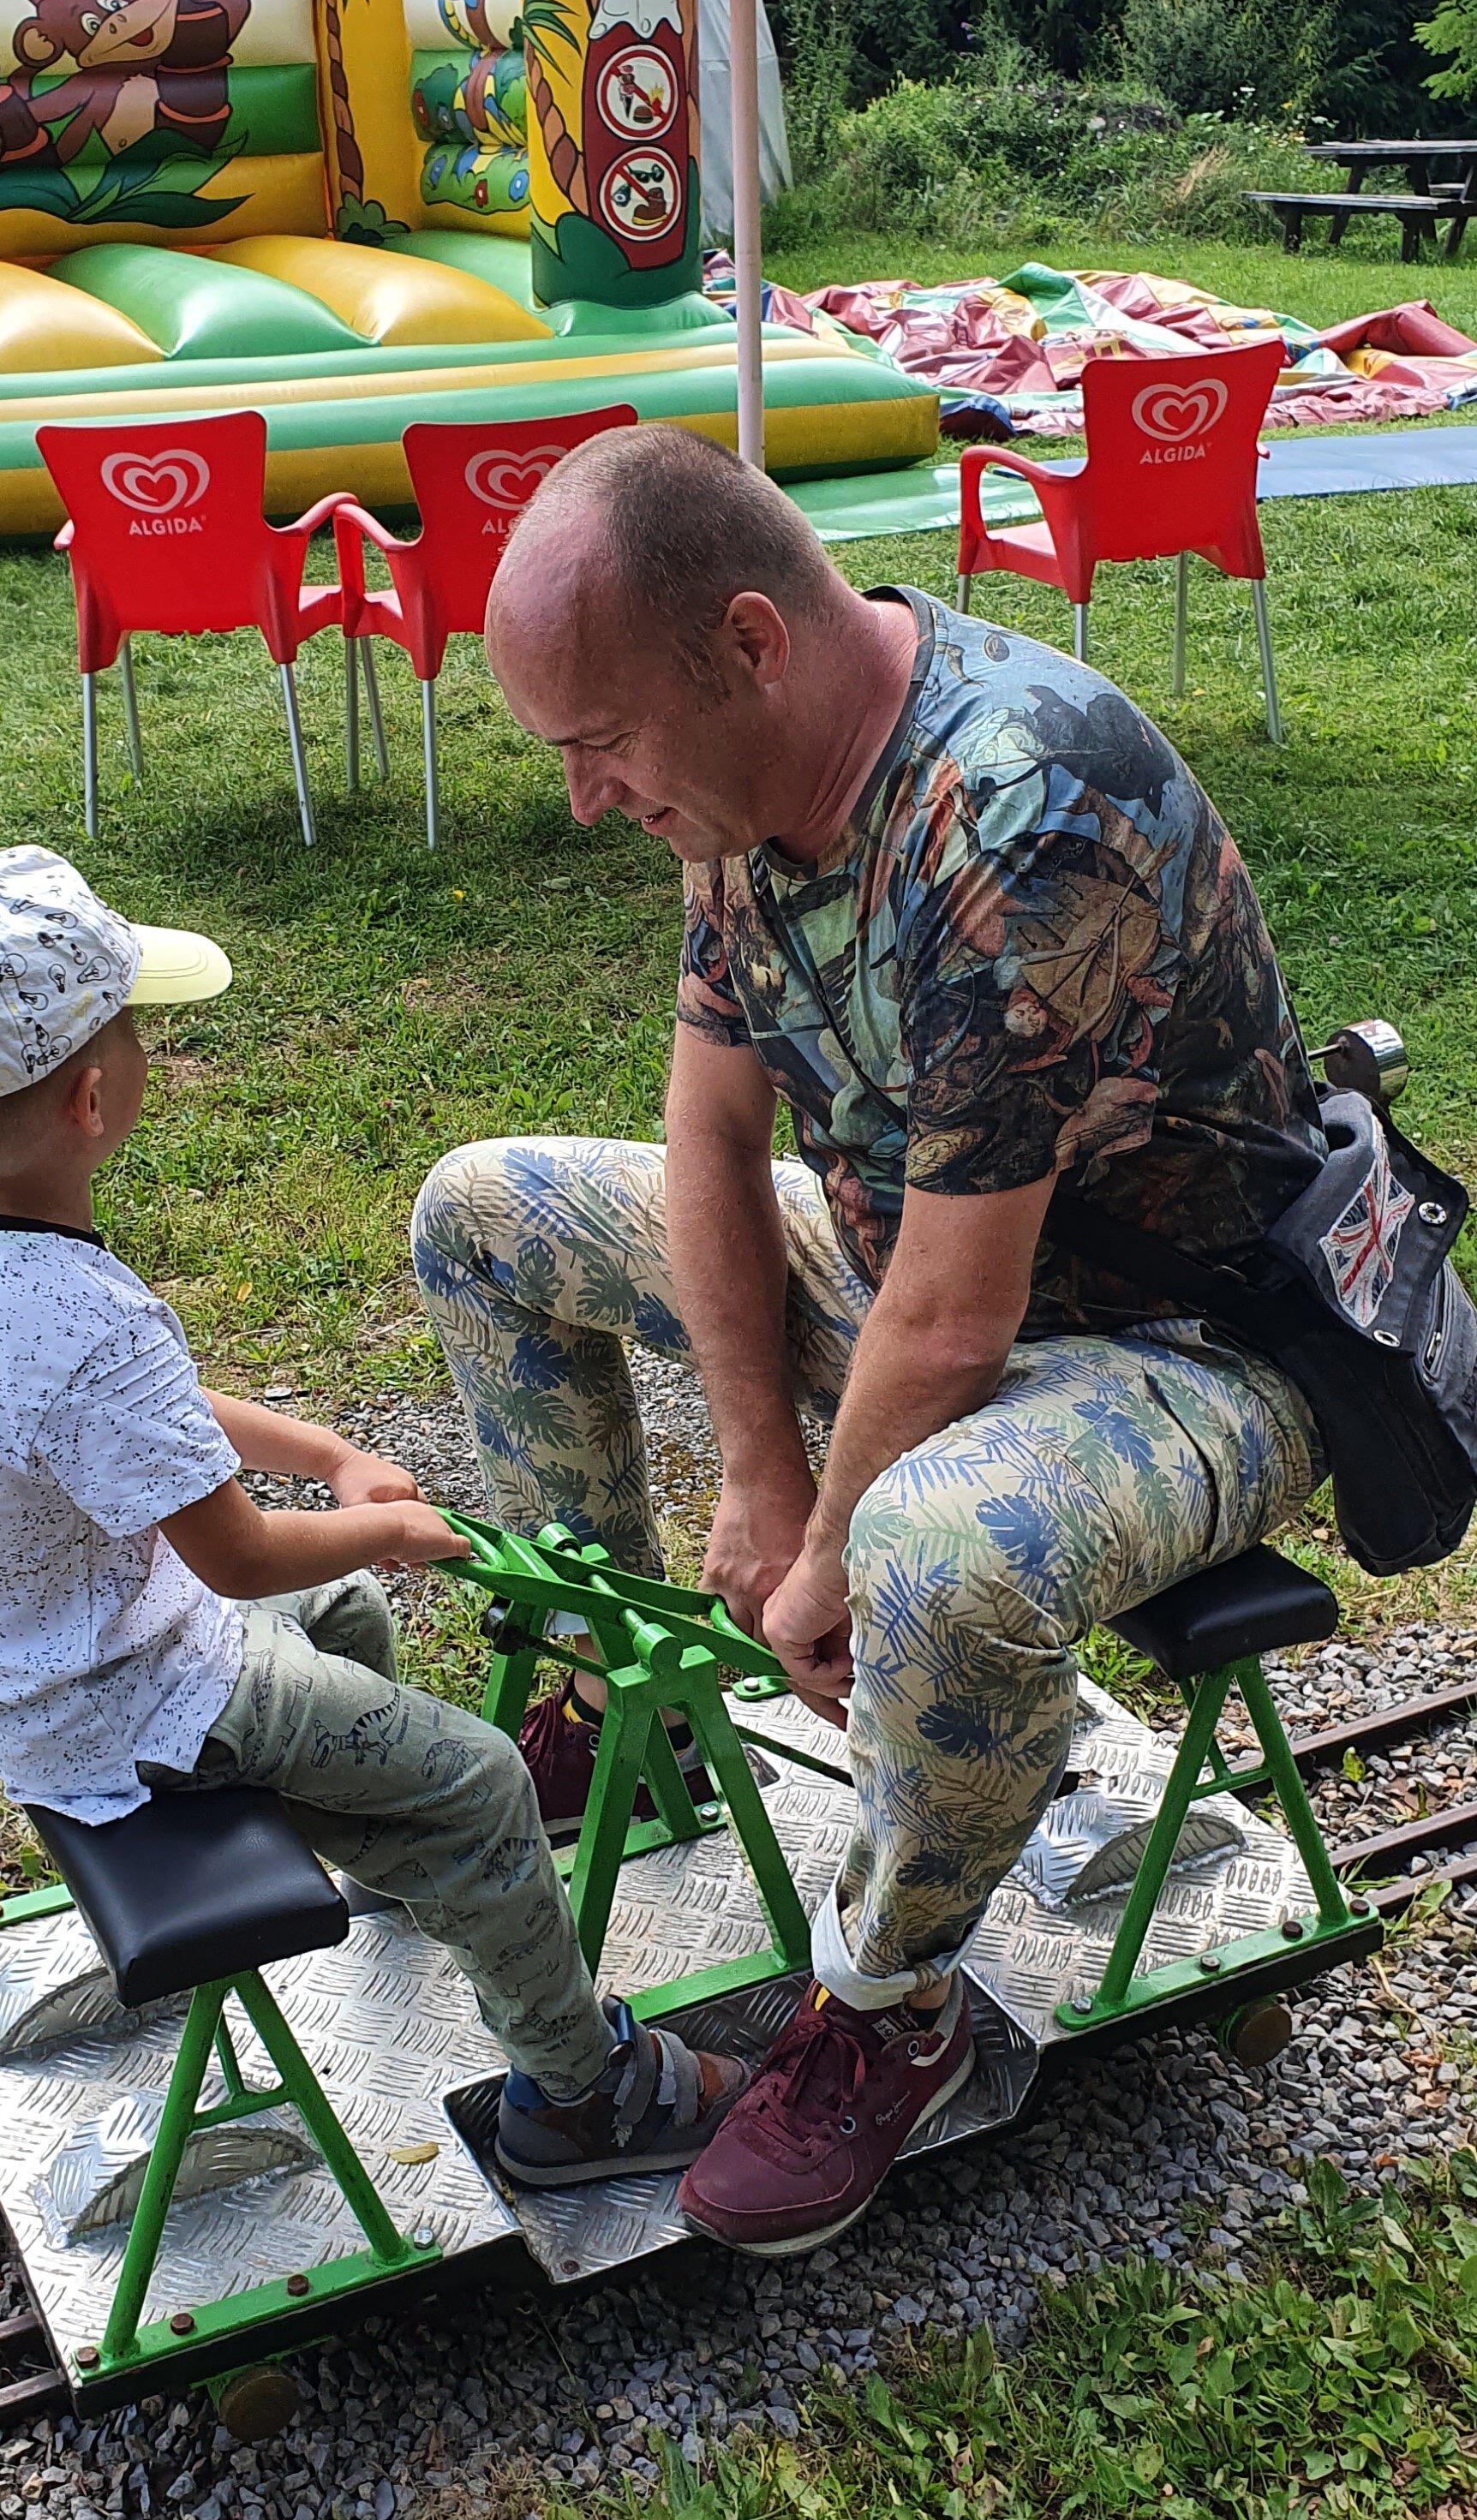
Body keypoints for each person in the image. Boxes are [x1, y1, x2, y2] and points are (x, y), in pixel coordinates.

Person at [410, 427, 1327, 2257]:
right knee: (479, 1210)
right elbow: (712, 1138)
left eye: (600, 743)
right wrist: (753, 1473)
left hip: (1181, 1349)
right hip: (923, 1277)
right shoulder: (742, 794)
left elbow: (962, 1314)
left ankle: (885, 2010)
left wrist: (824, 1541)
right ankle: (614, 1704)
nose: (585, 798)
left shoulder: (1019, 816)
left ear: (749, 641)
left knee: (926, 1545)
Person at [0, 845, 744, 2190]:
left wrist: (324, 1453)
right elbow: (238, 1554)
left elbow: (149, 1415)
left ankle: (383, 1853)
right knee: (484, 1779)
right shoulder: (87, 1324)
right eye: (136, 1029)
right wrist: (393, 1522)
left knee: (343, 1615)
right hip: (124, 1695)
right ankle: (581, 2096)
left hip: (30, 1670)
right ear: (96, 1094)